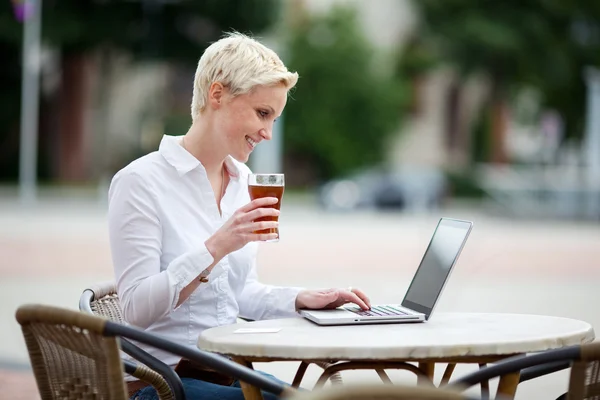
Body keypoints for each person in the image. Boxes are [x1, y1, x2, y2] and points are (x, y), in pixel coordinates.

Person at [107, 32, 372, 400]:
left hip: (230, 374)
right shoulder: (140, 182)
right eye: (262, 113)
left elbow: (238, 293)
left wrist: (302, 299)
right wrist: (215, 247)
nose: (267, 132)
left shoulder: (242, 181)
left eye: (274, 118)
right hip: (164, 386)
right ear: (217, 95)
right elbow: (135, 310)